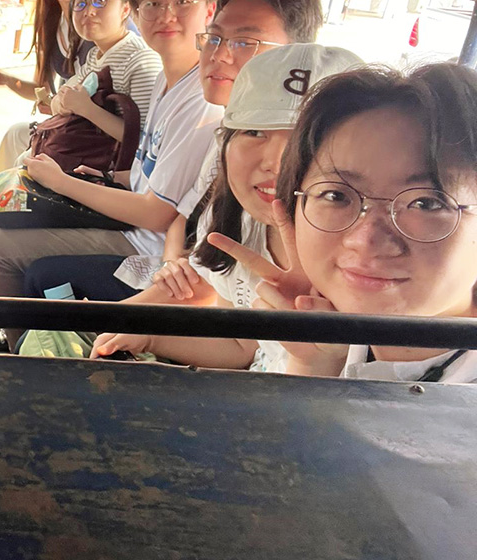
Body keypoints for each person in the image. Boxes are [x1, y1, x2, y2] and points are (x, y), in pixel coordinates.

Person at [0, 0, 225, 351]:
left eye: (182, 3)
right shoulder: (166, 80)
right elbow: (145, 166)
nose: (166, 15)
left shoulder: (200, 99)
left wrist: (63, 182)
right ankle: (27, 342)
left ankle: (21, 347)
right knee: (7, 208)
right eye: (154, 4)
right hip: (133, 213)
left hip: (145, 243)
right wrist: (108, 179)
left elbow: (159, 213)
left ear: (210, 10)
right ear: (138, 12)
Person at [26, 0, 323, 304]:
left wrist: (61, 181)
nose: (220, 55)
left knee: (27, 264)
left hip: (153, 249)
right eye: (214, 39)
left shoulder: (299, 163)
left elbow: (169, 229)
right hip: (175, 265)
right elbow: (186, 217)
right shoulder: (228, 133)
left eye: (244, 42)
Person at [89, 44, 362, 368]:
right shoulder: (240, 227)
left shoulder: (364, 270)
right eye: (253, 131)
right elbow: (241, 346)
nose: (275, 162)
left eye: (305, 141)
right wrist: (146, 337)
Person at [208, 64, 477, 383]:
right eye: (336, 195)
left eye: (426, 203)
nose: (365, 239)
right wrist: (312, 361)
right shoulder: (338, 327)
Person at [0, 0, 99, 173]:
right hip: (67, 126)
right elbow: (43, 92)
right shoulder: (52, 23)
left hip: (93, 138)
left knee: (26, 161)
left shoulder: (98, 25)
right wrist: (6, 80)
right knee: (14, 135)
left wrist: (59, 105)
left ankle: (9, 208)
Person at [47, 0, 161, 142]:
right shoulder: (96, 55)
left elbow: (145, 141)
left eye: (100, 1)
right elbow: (65, 94)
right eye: (80, 4)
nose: (89, 11)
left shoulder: (141, 61)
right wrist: (59, 102)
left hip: (109, 165)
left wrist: (87, 109)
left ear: (125, 10)